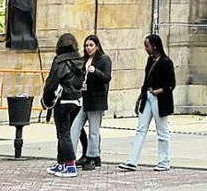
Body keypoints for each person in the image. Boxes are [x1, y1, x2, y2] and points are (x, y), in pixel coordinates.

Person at [119, 34, 175, 172]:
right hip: (148, 96)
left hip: (160, 99)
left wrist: (159, 91)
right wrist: (140, 97)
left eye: (147, 46)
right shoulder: (150, 61)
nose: (146, 49)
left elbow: (171, 84)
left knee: (162, 131)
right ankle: (132, 160)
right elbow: (146, 81)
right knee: (140, 129)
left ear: (155, 46)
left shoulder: (166, 62)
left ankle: (164, 161)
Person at [42, 33, 87, 178]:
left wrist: (46, 101)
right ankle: (61, 163)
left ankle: (70, 165)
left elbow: (51, 84)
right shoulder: (80, 60)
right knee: (64, 133)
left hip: (63, 100)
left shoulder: (59, 62)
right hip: (77, 100)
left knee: (63, 133)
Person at [68, 34, 111, 171]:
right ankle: (70, 156)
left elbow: (106, 78)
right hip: (85, 99)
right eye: (86, 45)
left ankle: (92, 157)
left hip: (97, 99)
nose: (88, 48)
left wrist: (95, 71)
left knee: (94, 130)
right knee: (75, 128)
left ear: (97, 46)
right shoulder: (84, 60)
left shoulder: (104, 60)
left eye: (91, 45)